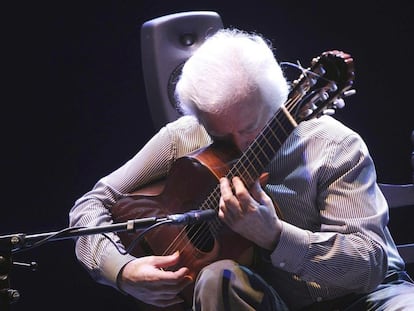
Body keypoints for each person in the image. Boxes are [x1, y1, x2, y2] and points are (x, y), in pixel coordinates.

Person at [69, 28, 414, 310]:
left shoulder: (334, 145)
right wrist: (122, 271)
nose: (242, 143)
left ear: (276, 99)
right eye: (219, 133)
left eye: (252, 127)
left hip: (363, 299)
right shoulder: (183, 137)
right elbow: (91, 205)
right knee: (217, 278)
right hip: (270, 302)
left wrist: (274, 236)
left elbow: (369, 266)